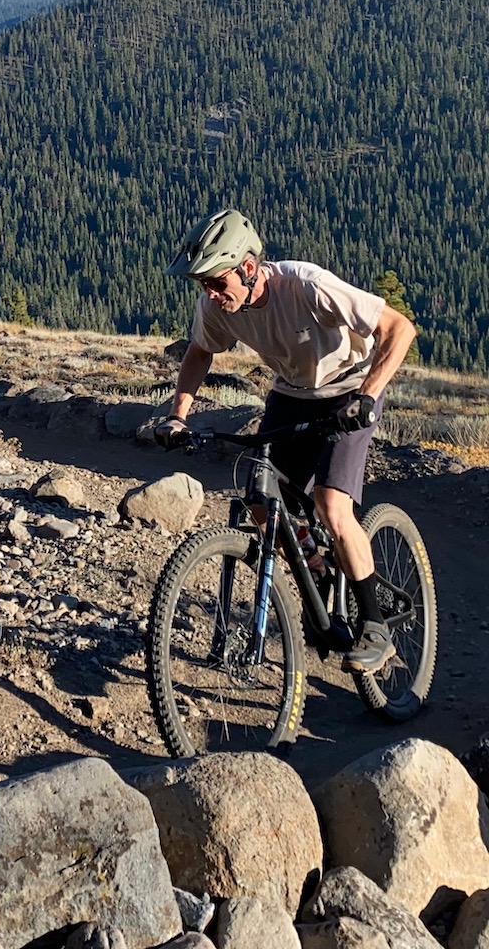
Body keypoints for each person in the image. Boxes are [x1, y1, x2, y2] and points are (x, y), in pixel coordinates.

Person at [155, 208, 418, 673]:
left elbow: (399, 329)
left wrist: (367, 398)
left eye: (218, 282)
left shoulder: (307, 286)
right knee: (261, 505)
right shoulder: (216, 307)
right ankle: (317, 577)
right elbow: (199, 354)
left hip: (348, 391)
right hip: (291, 395)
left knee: (332, 505)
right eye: (204, 286)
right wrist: (178, 415)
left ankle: (376, 626)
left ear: (249, 268)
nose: (212, 294)